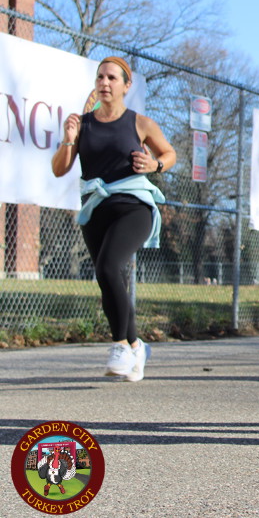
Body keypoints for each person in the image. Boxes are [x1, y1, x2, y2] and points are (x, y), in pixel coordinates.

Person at [51, 57, 175, 381]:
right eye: (100, 77)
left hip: (134, 206)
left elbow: (169, 154)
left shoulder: (140, 123)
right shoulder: (82, 124)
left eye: (112, 78)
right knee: (108, 280)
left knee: (107, 267)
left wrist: (155, 165)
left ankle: (120, 345)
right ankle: (137, 346)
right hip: (96, 208)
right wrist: (69, 137)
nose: (104, 83)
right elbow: (59, 168)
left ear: (126, 85)